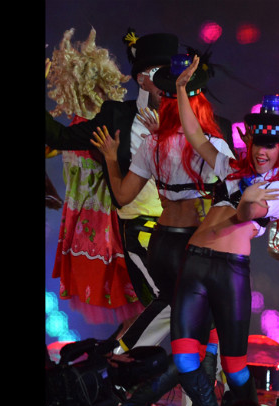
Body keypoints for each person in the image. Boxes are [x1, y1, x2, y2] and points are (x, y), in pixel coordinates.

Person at [92, 53, 233, 406]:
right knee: (196, 342)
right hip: (193, 247)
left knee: (189, 339)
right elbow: (233, 190)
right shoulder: (212, 145)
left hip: (159, 244)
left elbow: (122, 197)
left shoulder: (152, 143)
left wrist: (109, 159)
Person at [170, 54, 279, 406]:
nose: (261, 151)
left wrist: (248, 201)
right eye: (257, 143)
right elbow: (194, 135)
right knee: (185, 361)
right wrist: (180, 89)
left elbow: (247, 215)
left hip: (229, 272)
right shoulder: (230, 168)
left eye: (269, 145)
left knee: (235, 367)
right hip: (193, 264)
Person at [46, 29, 179, 321]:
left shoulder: (191, 121)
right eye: (158, 72)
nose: (166, 81)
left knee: (187, 313)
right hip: (139, 234)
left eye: (172, 73)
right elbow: (59, 138)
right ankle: (122, 354)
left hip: (187, 235)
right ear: (142, 78)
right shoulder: (116, 116)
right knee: (162, 311)